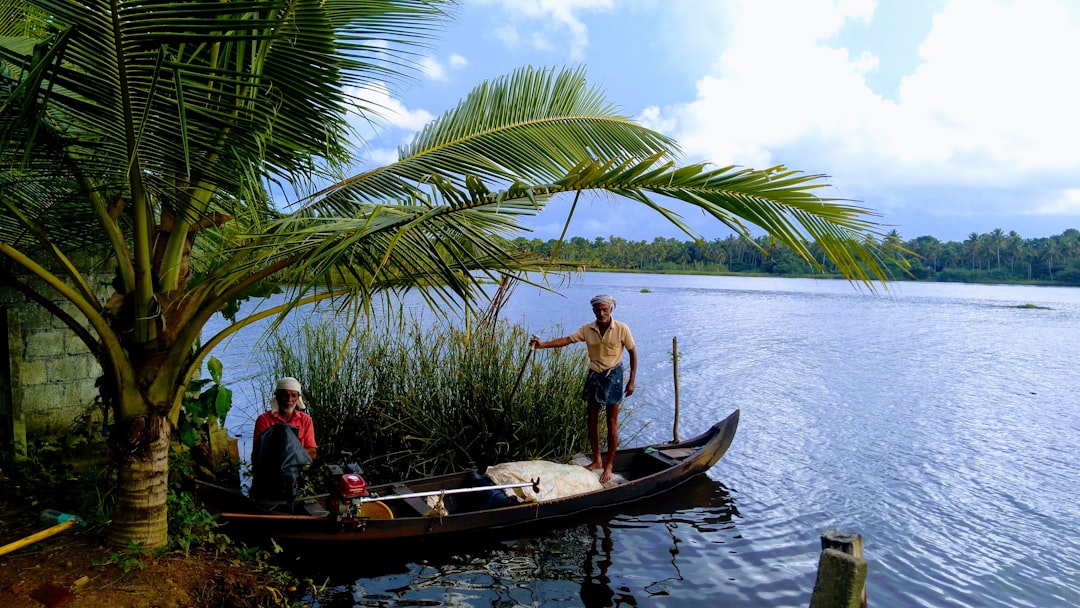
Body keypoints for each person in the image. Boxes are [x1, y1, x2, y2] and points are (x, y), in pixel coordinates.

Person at [530, 295, 637, 483]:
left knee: (612, 422)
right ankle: (597, 460)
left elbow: (633, 353)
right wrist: (542, 345)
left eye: (605, 309)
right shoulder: (588, 329)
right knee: (592, 420)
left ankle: (609, 465)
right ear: (593, 310)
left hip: (614, 376)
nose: (601, 313)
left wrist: (631, 381)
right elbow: (567, 340)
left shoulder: (622, 328)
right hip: (595, 375)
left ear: (611, 309)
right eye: (598, 310)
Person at [250, 377, 317, 500]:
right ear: (277, 396)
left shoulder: (306, 420)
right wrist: (295, 454)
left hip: (296, 475)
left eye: (293, 395)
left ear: (298, 397)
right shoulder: (264, 420)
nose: (289, 400)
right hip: (270, 476)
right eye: (284, 395)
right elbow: (259, 454)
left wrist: (285, 457)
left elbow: (312, 453)